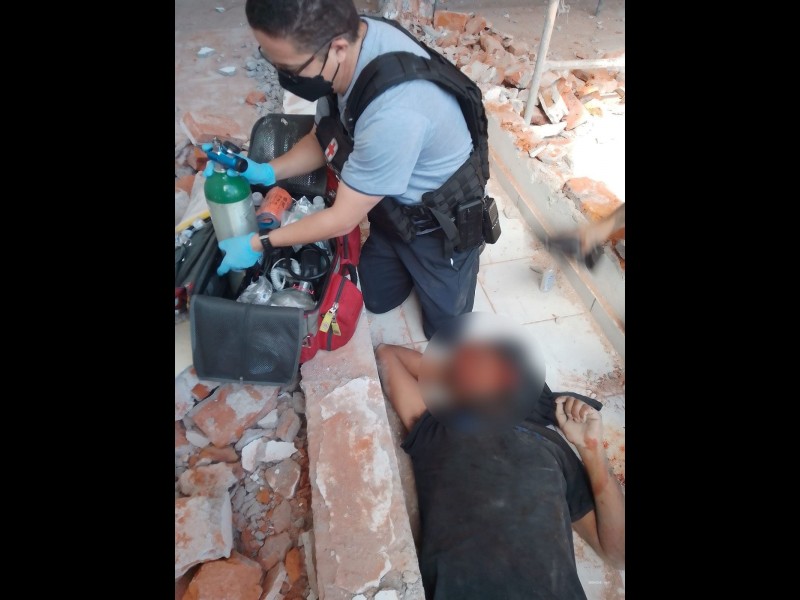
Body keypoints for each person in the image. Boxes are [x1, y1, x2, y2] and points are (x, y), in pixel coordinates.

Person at [212, 0, 483, 339]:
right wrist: (266, 172)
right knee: (375, 299)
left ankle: (456, 269)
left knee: (447, 334)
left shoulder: (394, 114)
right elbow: (324, 137)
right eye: (272, 60)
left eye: (290, 68)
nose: (284, 77)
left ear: (338, 48)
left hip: (439, 225)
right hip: (392, 209)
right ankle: (403, 257)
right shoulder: (345, 46)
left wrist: (258, 243)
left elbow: (342, 219)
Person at [375, 340, 625, 599]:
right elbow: (387, 355)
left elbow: (617, 554)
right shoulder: (438, 425)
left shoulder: (553, 445)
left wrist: (592, 450)